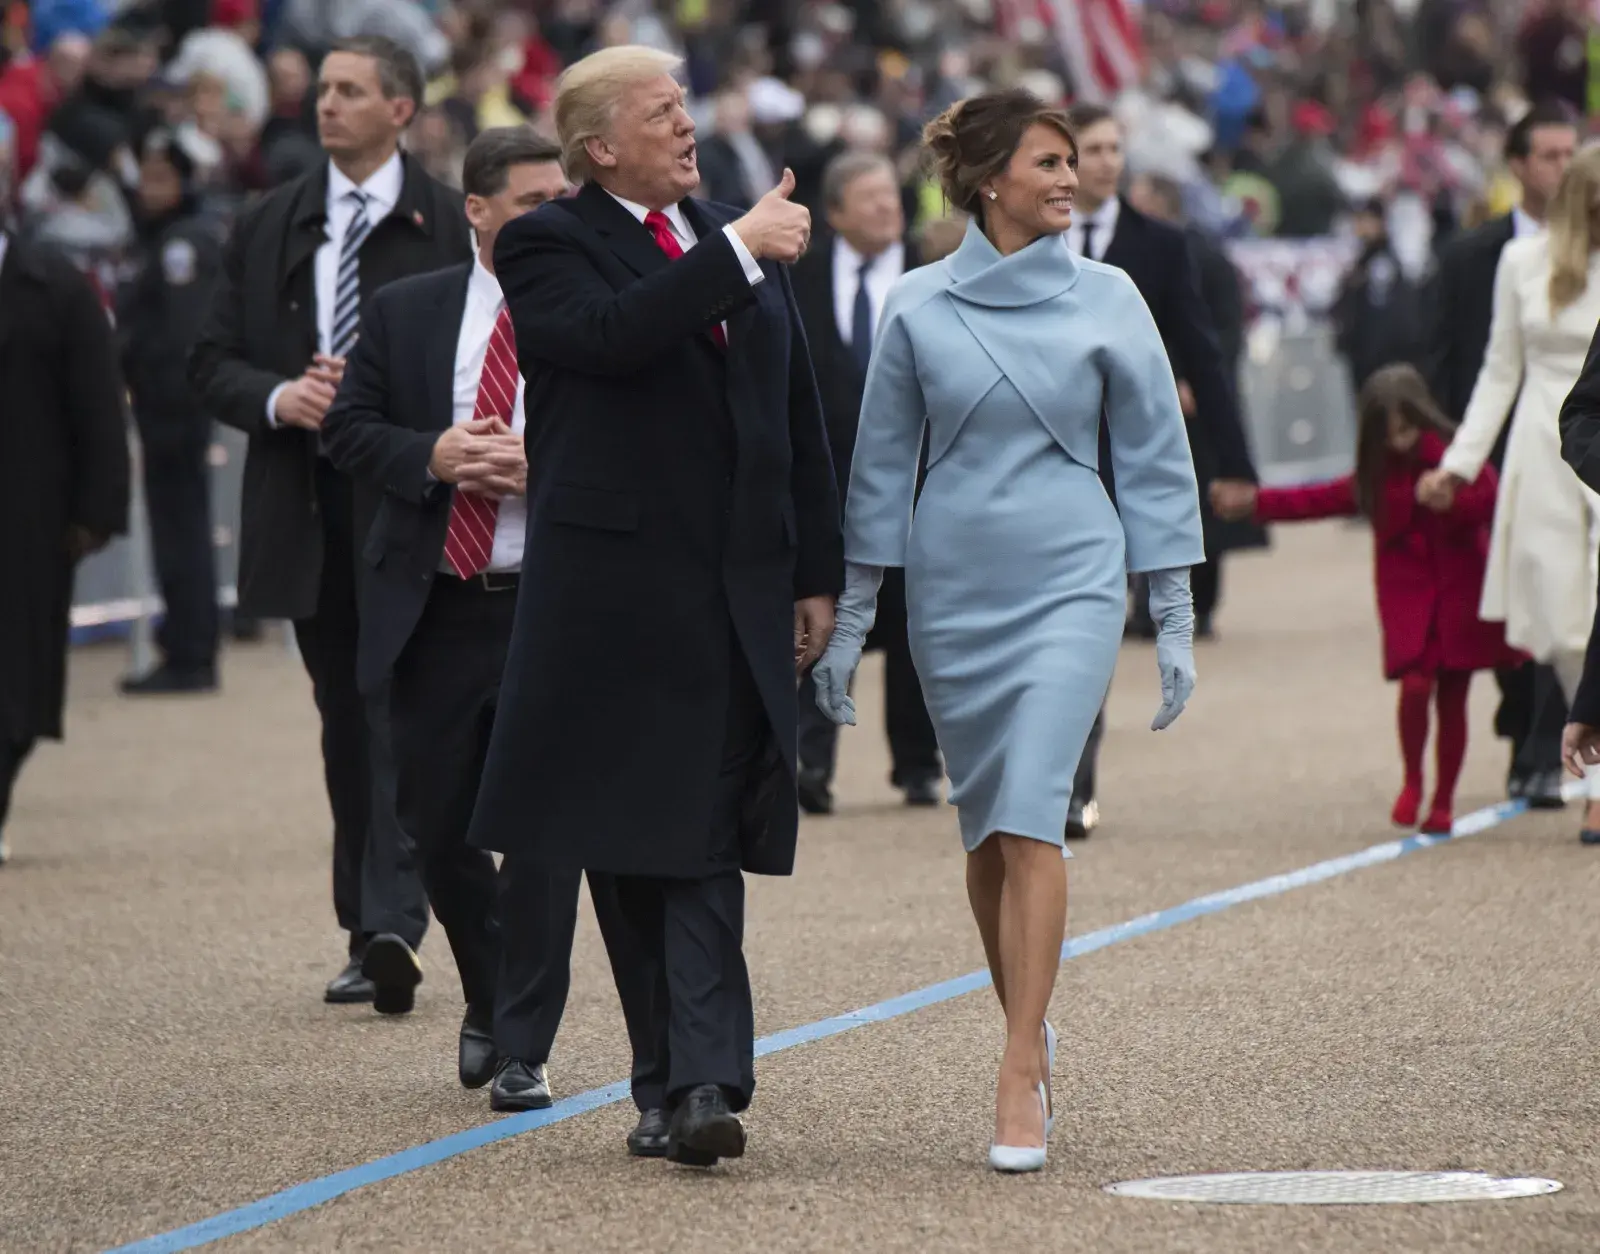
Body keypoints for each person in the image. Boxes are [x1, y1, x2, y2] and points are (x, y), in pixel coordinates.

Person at [811, 89, 1203, 1172]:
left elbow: (1157, 457)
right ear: (989, 181)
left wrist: (1167, 610)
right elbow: (881, 466)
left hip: (1073, 574)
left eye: (1073, 160)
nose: (1070, 178)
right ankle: (1027, 1024)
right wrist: (850, 623)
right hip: (953, 586)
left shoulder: (1113, 295)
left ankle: (1019, 1062)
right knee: (986, 831)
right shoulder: (918, 304)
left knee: (1036, 816)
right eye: (1047, 162)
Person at [464, 46, 842, 1166]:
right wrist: (735, 251)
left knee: (704, 833)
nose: (687, 127)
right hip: (613, 600)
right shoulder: (547, 241)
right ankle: (669, 1081)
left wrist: (815, 568)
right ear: (598, 147)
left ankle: (702, 1082)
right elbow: (606, 338)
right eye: (662, 112)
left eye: (685, 107)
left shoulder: (738, 230)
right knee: (634, 841)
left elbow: (795, 411)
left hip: (734, 586)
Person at [321, 126, 666, 1111]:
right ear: (475, 211)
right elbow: (349, 429)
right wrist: (433, 456)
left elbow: (645, 441)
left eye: (561, 199)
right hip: (434, 605)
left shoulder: (593, 309)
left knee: (547, 826)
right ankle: (487, 990)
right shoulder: (407, 311)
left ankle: (522, 1043)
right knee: (436, 827)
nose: (550, 217)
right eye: (527, 203)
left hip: (555, 605)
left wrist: (547, 468)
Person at [189, 35, 471, 1005]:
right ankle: (372, 924)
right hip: (308, 508)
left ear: (402, 108)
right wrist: (282, 398)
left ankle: (399, 918)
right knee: (345, 719)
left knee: (402, 706)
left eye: (351, 91)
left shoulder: (447, 222)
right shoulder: (270, 221)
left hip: (415, 502)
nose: (327, 106)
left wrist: (393, 408)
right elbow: (210, 361)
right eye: (323, 91)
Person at [1059, 101, 1256, 841]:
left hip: (1123, 464)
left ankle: (1072, 784)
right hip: (1035, 460)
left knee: (1091, 621)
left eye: (1114, 148)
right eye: (1090, 149)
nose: (1105, 161)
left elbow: (1203, 351)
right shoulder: (1011, 243)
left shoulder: (1165, 246)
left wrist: (1235, 462)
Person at [1218, 365, 1519, 835]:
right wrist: (1257, 502)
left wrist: (1450, 500)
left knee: (1454, 698)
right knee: (1417, 686)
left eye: (1406, 428)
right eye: (1389, 432)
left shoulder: (1455, 459)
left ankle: (1443, 799)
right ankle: (1414, 780)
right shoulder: (1378, 475)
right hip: (1410, 599)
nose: (1399, 441)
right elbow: (1317, 499)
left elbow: (1491, 498)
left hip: (1458, 593)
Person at [1417, 145, 1600, 844]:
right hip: (1541, 446)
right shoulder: (1522, 264)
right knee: (1559, 622)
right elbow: (1499, 372)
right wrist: (1459, 465)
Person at [790, 149, 941, 814]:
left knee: (913, 626)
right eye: (870, 197)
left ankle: (917, 764)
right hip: (825, 484)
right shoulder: (799, 275)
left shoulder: (934, 274)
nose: (887, 206)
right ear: (834, 213)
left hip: (918, 485)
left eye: (891, 194)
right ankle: (809, 762)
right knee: (824, 618)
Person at [0, 226, 130, 864]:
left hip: (27, 520)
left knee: (19, 678)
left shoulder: (53, 285)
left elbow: (98, 401)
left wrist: (97, 509)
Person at [1125, 169, 1264, 640]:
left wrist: (1193, 382)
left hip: (1201, 407)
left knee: (1206, 508)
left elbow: (1225, 331)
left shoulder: (1203, 256)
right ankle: (1147, 606)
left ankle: (1199, 606)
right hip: (1152, 399)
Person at [116, 126, 223, 696]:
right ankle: (185, 638)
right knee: (177, 527)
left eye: (161, 179)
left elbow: (182, 335)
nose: (148, 190)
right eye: (145, 178)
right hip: (166, 404)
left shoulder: (183, 244)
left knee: (181, 529)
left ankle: (190, 649)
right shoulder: (159, 240)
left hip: (173, 406)